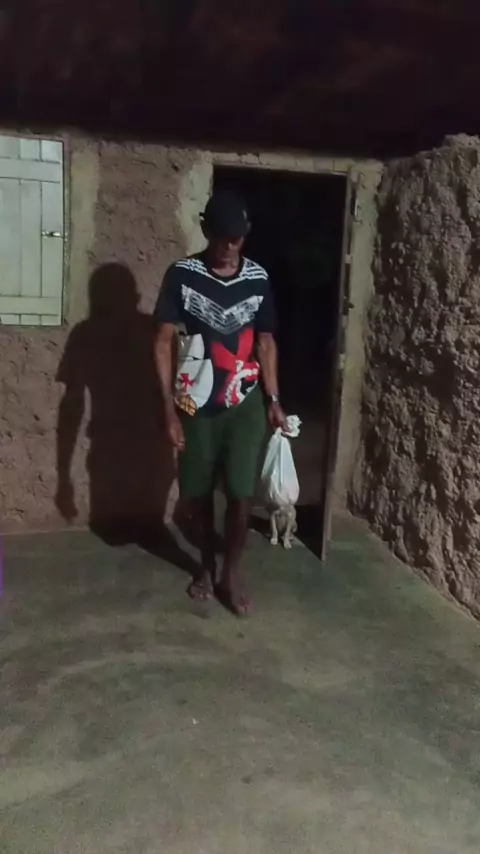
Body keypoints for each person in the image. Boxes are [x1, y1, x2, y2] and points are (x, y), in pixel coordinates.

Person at [154, 190, 287, 615]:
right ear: (205, 230)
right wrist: (168, 409)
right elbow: (162, 341)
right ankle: (206, 566)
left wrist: (273, 399)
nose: (229, 246)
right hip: (195, 404)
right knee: (197, 493)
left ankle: (231, 571)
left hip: (244, 403)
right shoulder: (183, 275)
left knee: (241, 492)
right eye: (221, 237)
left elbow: (266, 342)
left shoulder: (258, 278)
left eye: (237, 238)